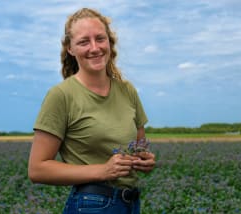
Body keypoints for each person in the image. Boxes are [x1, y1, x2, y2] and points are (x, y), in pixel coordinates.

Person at [28, 8, 156, 214]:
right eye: (84, 42)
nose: (94, 48)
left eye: (100, 38)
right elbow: (37, 169)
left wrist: (145, 160)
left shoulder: (127, 90)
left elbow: (139, 146)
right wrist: (102, 171)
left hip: (131, 203)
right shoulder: (61, 95)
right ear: (70, 49)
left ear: (110, 43)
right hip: (92, 204)